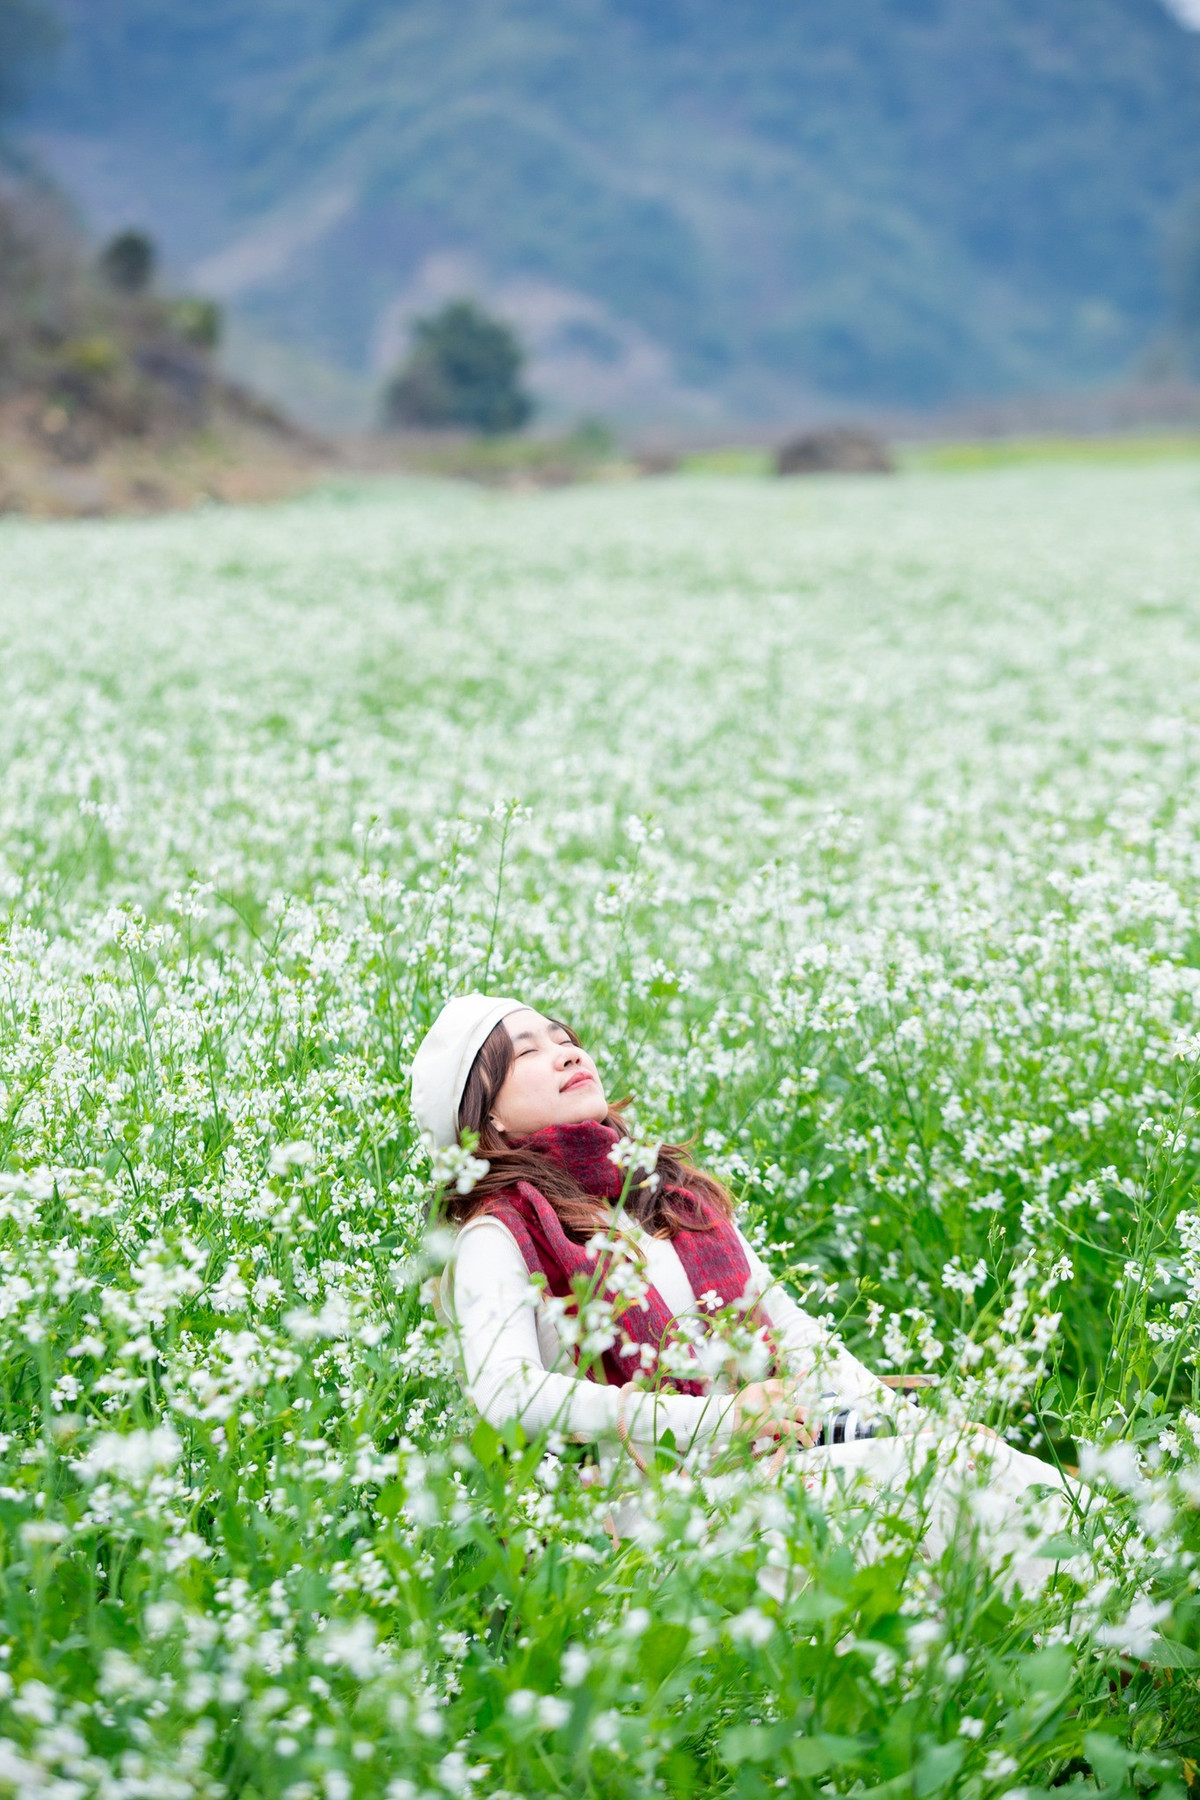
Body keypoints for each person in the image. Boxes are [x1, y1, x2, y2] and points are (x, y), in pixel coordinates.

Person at [411, 993, 1086, 1591]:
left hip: (767, 1459)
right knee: (888, 1485)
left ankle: (1131, 1631)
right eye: (527, 1052)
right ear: (487, 1118)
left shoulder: (669, 1194)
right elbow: (504, 1392)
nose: (564, 1054)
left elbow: (793, 1334)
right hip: (640, 1512)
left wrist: (916, 1424)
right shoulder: (498, 1231)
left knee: (966, 1458)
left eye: (563, 1038)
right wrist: (721, 1419)